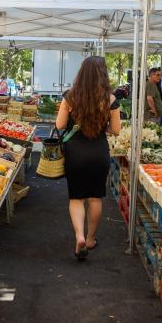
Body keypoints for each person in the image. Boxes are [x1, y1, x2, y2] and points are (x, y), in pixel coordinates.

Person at [55, 56, 121, 261]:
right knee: (95, 198)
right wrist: (102, 126)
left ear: (81, 73)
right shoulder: (110, 100)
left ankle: (79, 236)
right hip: (99, 153)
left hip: (75, 153)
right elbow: (117, 130)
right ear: (103, 74)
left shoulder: (70, 96)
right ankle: (91, 239)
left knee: (76, 198)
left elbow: (59, 125)